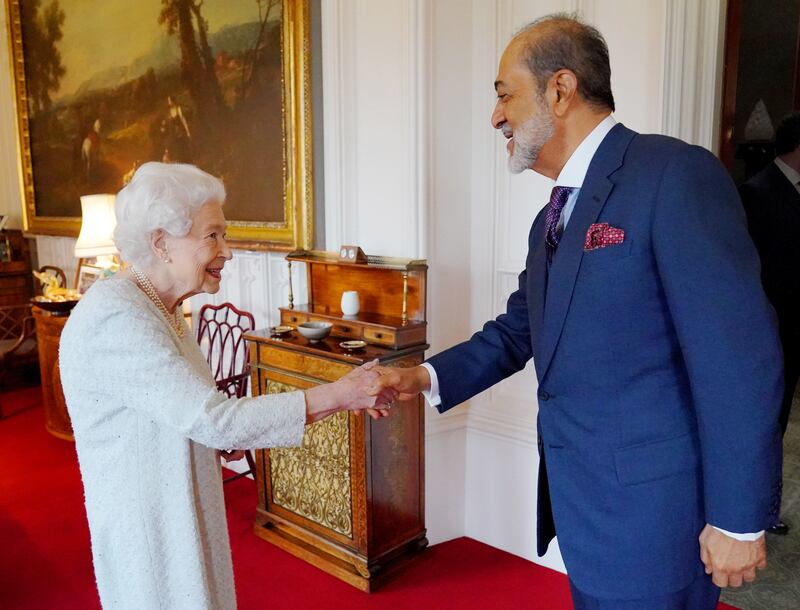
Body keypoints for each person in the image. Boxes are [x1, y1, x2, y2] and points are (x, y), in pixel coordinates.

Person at [376, 13, 783, 609]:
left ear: (560, 90)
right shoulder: (552, 217)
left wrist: (739, 518)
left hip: (655, 522)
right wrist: (422, 377)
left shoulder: (673, 176)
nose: (496, 116)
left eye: (504, 95)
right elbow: (520, 329)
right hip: (583, 512)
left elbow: (739, 357)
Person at [59, 162, 394, 610]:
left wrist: (207, 441)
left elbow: (181, 413)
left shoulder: (162, 309)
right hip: (150, 528)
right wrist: (341, 393)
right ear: (161, 243)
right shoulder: (117, 316)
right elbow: (214, 418)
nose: (228, 251)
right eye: (212, 235)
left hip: (181, 508)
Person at [739, 112, 800, 536]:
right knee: (761, 426)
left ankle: (764, 510)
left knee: (776, 426)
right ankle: (752, 512)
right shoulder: (754, 193)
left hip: (793, 333)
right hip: (769, 334)